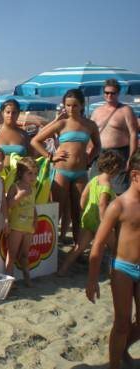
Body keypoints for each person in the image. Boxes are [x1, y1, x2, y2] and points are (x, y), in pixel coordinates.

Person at [86, 150, 140, 369]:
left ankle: (123, 348)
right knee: (122, 322)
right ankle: (113, 368)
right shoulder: (119, 205)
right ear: (135, 175)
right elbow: (98, 244)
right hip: (122, 268)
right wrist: (92, 280)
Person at [32, 89, 101, 244]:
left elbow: (98, 146)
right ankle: (51, 248)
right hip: (61, 171)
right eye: (68, 105)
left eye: (75, 105)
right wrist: (50, 156)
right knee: (56, 211)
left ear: (82, 105)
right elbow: (35, 141)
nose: (71, 109)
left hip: (81, 173)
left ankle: (77, 246)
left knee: (79, 212)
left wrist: (89, 159)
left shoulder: (90, 125)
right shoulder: (62, 123)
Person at [59, 150, 125, 276]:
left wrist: (82, 209)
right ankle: (114, 273)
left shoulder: (94, 179)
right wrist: (105, 222)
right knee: (115, 249)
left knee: (79, 247)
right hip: (101, 221)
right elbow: (102, 204)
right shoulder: (106, 186)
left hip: (88, 219)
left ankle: (62, 270)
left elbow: (84, 195)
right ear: (115, 168)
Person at [90, 79, 138, 194]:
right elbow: (91, 134)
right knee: (96, 187)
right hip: (99, 154)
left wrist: (131, 158)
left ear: (118, 93)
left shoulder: (126, 110)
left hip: (119, 154)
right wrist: (89, 154)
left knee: (119, 189)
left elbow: (133, 134)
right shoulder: (96, 111)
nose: (109, 95)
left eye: (112, 93)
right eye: (106, 92)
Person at [5, 157, 38, 286]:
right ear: (20, 173)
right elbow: (8, 205)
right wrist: (19, 196)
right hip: (16, 226)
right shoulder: (15, 187)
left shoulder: (33, 188)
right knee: (12, 254)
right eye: (29, 173)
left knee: (25, 254)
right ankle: (9, 279)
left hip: (28, 225)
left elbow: (32, 206)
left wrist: (35, 218)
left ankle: (27, 277)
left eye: (35, 173)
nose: (33, 176)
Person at [0, 99, 29, 164]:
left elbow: (30, 158)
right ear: (2, 113)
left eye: (14, 113)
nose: (10, 115)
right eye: (8, 112)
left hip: (19, 170)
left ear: (18, 114)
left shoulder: (24, 135)